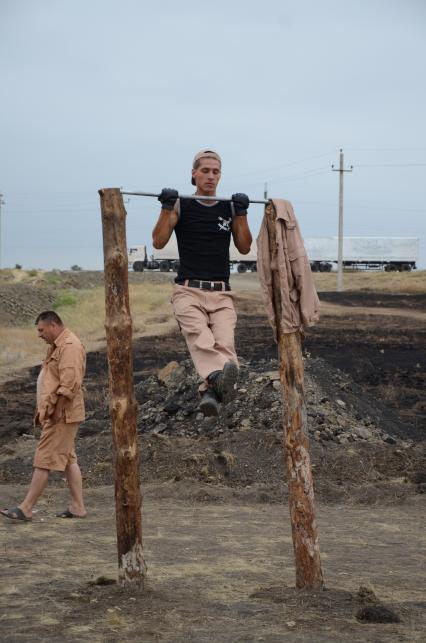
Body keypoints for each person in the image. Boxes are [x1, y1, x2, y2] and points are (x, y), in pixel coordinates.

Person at [152, 149, 252, 416]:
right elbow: (158, 241)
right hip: (188, 289)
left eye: (216, 171)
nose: (210, 176)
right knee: (201, 339)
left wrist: (241, 214)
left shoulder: (228, 208)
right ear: (193, 174)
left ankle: (208, 392)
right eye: (205, 171)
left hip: (221, 292)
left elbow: (244, 247)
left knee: (226, 346)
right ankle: (215, 386)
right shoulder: (181, 205)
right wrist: (165, 207)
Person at [1, 311, 87, 521]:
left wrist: (57, 411)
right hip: (58, 412)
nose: (39, 335)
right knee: (68, 460)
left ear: (53, 325)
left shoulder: (69, 346)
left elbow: (70, 384)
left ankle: (26, 508)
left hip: (63, 414)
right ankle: (78, 507)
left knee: (44, 459)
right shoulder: (58, 346)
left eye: (41, 330)